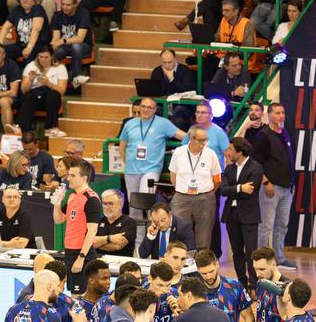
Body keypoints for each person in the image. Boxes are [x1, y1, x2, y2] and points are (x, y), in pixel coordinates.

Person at [119, 97, 185, 228]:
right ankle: (137, 242)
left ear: (155, 110)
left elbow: (182, 136)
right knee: (133, 207)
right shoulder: (130, 124)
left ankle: (151, 236)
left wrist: (198, 138)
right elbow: (122, 146)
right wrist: (128, 163)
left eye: (149, 107)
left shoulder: (163, 123)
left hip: (151, 169)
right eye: (143, 106)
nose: (145, 110)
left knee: (146, 202)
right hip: (131, 170)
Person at [251, 103, 296, 271]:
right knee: (266, 225)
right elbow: (256, 163)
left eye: (283, 112)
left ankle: (279, 258)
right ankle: (260, 258)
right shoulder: (263, 136)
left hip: (287, 188)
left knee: (282, 224)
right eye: (277, 113)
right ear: (268, 115)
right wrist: (266, 182)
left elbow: (288, 161)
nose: (281, 116)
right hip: (271, 187)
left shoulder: (284, 133)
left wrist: (292, 183)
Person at [220, 137, 263, 290]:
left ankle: (253, 284)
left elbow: (250, 191)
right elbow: (223, 190)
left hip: (249, 215)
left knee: (251, 251)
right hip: (231, 214)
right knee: (237, 252)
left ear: (240, 151)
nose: (228, 152)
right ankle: (242, 282)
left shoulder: (255, 168)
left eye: (231, 150)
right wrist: (239, 188)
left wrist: (235, 190)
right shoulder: (229, 169)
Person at [53, 158, 101, 294]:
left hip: (82, 253)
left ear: (84, 178)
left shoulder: (91, 199)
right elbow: (59, 220)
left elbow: (92, 231)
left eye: (73, 175)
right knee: (74, 294)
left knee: (81, 297)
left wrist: (81, 257)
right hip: (69, 250)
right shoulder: (72, 196)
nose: (68, 178)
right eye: (68, 174)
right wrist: (57, 203)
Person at [169, 125, 221, 249]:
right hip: (182, 198)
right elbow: (173, 176)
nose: (204, 143)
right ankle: (181, 260)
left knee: (204, 233)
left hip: (205, 198)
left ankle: (201, 263)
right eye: (200, 140)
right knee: (179, 230)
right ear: (191, 138)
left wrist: (206, 191)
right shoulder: (179, 152)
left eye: (205, 140)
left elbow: (217, 179)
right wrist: (183, 190)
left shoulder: (211, 154)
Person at [14, 45, 68, 137]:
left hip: (49, 99)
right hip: (34, 98)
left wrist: (49, 84)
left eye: (46, 57)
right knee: (29, 97)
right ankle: (22, 129)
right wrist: (30, 80)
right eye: (41, 57)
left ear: (51, 56)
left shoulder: (60, 67)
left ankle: (51, 128)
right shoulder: (31, 66)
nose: (43, 60)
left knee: (53, 94)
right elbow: (23, 90)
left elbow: (62, 91)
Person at [51, 0, 93, 89]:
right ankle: (52, 80)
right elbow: (55, 38)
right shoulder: (58, 15)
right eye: (63, 4)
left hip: (83, 46)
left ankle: (75, 78)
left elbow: (79, 38)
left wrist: (62, 41)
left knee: (76, 46)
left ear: (75, 5)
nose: (65, 7)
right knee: (55, 53)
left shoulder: (83, 13)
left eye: (68, 5)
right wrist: (53, 46)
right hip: (66, 47)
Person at [0, 0, 50, 65]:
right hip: (21, 45)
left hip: (38, 45)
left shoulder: (38, 9)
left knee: (28, 56)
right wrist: (0, 45)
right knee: (2, 53)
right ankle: (13, 74)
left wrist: (29, 47)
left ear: (34, 0)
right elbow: (5, 27)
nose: (25, 0)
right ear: (19, 1)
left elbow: (36, 29)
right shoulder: (17, 10)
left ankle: (26, 75)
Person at [94, 188, 137, 256]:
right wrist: (110, 238)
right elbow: (89, 242)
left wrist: (97, 244)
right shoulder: (98, 221)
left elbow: (117, 246)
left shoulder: (130, 222)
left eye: (110, 203)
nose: (107, 207)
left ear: (120, 204)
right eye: (104, 203)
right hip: (98, 261)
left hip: (121, 262)